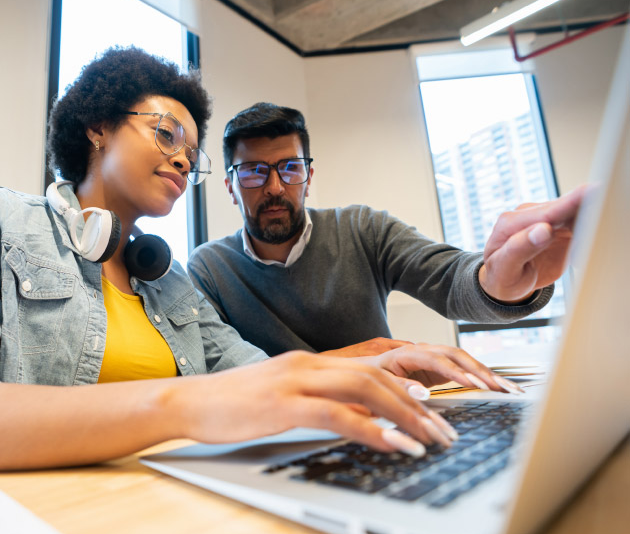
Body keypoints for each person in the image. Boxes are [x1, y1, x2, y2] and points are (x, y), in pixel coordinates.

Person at [0, 47, 518, 471]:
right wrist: (180, 405)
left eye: (190, 152)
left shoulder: (172, 285)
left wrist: (379, 366)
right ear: (98, 127)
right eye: (166, 134)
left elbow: (262, 377)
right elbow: (209, 399)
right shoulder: (9, 224)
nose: (182, 158)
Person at [188, 102, 583, 358]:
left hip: (387, 418)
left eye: (290, 168)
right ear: (230, 187)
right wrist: (365, 356)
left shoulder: (362, 229)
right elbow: (225, 370)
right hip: (275, 437)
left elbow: (448, 278)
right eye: (254, 172)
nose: (275, 187)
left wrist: (496, 284)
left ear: (308, 177)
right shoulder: (210, 269)